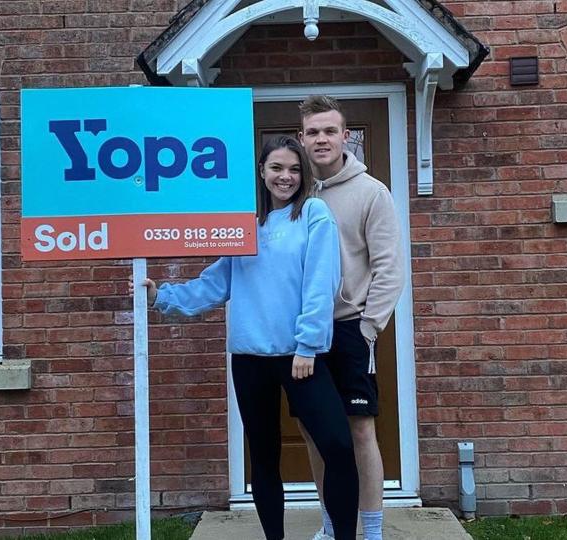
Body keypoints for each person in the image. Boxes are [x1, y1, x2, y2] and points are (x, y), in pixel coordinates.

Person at [131, 136, 359, 540]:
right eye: (276, 168)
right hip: (250, 360)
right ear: (262, 172)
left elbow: (320, 283)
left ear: (303, 175)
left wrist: (307, 345)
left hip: (300, 358)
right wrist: (161, 298)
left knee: (338, 447)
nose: (285, 177)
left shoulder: (313, 214)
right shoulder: (245, 224)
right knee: (264, 458)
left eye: (293, 169)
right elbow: (216, 282)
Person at [297, 96, 404, 540]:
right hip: (304, 334)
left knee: (361, 431)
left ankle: (373, 530)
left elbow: (390, 267)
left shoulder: (371, 192)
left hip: (350, 329)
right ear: (301, 139)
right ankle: (332, 525)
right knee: (315, 434)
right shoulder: (293, 194)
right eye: (312, 132)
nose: (321, 139)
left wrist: (368, 328)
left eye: (329, 131)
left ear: (346, 136)